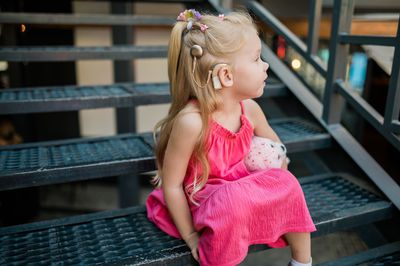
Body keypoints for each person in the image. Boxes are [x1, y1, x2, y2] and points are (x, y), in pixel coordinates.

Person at [146, 10, 316, 266]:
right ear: (226, 76)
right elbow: (171, 185)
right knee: (231, 203)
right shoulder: (192, 122)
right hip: (208, 202)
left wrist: (276, 175)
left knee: (288, 182)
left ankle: (302, 262)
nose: (265, 65)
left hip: (243, 191)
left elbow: (278, 152)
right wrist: (191, 236)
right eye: (257, 59)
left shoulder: (249, 109)